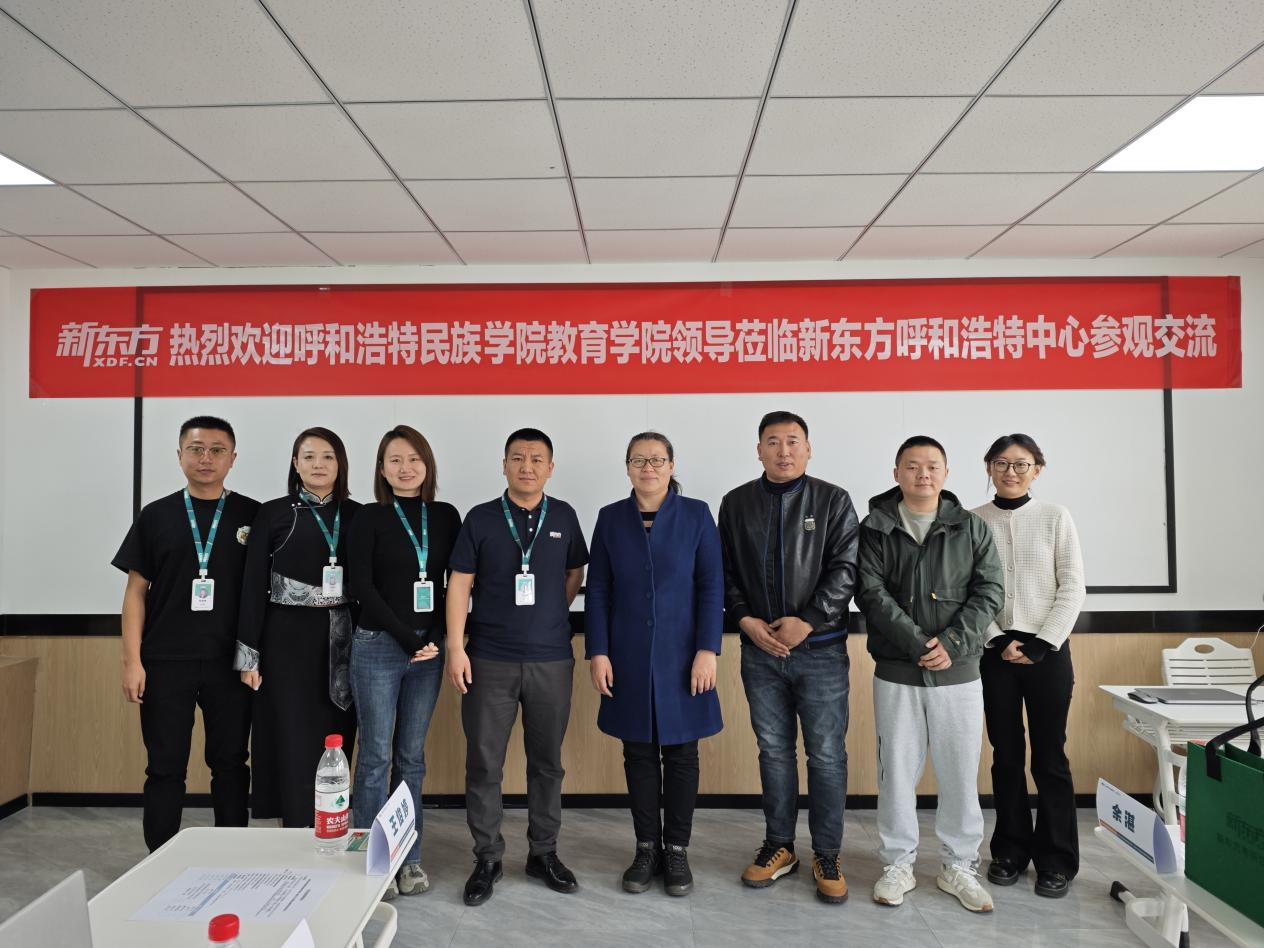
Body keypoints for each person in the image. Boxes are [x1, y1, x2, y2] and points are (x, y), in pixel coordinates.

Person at [855, 435, 1004, 913]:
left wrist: (953, 643)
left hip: (959, 671)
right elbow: (871, 594)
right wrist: (918, 644)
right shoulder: (875, 527)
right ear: (896, 473)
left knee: (960, 770)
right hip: (898, 670)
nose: (923, 474)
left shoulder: (971, 527)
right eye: (913, 466)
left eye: (932, 466)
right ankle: (897, 863)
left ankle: (959, 865)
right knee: (896, 771)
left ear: (946, 473)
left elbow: (990, 590)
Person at [717, 410, 859, 905]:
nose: (783, 450)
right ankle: (779, 845)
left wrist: (810, 620)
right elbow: (723, 571)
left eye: (793, 441)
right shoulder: (736, 503)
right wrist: (745, 619)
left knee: (826, 754)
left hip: (820, 651)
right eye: (773, 442)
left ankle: (827, 854)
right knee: (774, 751)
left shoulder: (833, 500)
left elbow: (846, 568)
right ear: (758, 450)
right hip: (760, 651)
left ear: (808, 448)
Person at [446, 428, 589, 907]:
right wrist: (456, 647)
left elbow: (574, 572)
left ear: (551, 467)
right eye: (518, 458)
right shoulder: (481, 518)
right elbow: (460, 584)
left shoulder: (564, 516)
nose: (527, 466)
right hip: (489, 658)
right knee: (484, 763)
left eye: (536, 459)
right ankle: (487, 857)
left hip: (551, 659)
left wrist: (550, 612)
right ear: (504, 464)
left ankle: (543, 853)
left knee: (547, 763)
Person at [585, 432, 724, 897]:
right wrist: (598, 651)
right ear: (627, 467)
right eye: (639, 460)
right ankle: (646, 848)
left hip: (684, 654)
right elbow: (598, 589)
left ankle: (677, 850)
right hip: (626, 654)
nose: (649, 468)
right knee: (638, 753)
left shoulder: (697, 514)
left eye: (658, 460)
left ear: (671, 465)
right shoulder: (610, 518)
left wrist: (707, 649)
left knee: (682, 754)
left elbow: (711, 585)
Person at [112, 416, 259, 851]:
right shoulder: (156, 515)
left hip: (230, 664)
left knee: (231, 763)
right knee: (165, 766)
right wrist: (132, 661)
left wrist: (254, 659)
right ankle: (159, 859)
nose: (205, 458)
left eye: (216, 450)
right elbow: (135, 593)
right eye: (196, 449)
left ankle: (231, 853)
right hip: (165, 661)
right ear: (180, 456)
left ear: (233, 458)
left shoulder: (253, 515)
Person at [347, 426, 461, 900]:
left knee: (411, 757)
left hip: (427, 651)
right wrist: (406, 636)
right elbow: (361, 586)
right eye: (395, 460)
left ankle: (408, 858)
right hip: (378, 645)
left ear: (427, 465)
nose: (406, 468)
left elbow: (453, 582)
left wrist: (434, 637)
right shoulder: (368, 516)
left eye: (414, 458)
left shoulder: (445, 516)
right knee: (376, 755)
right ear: (381, 468)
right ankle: (373, 859)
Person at [972, 434, 1086, 899]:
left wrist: (1041, 644)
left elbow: (1072, 586)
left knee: (1050, 757)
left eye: (1021, 464)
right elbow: (967, 589)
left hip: (1048, 654)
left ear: (1037, 469)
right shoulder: (973, 521)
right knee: (1006, 756)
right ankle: (1010, 851)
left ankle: (1056, 860)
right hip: (995, 654)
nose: (1011, 472)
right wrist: (998, 639)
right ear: (989, 468)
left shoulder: (1056, 517)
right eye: (1001, 463)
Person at [234, 427, 361, 828]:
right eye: (308, 456)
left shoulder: (359, 515)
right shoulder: (273, 513)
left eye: (327, 456)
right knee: (288, 734)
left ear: (340, 464)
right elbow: (252, 586)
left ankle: (332, 822)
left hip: (344, 641)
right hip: (285, 640)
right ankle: (292, 826)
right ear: (295, 464)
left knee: (336, 733)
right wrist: (248, 657)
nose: (318, 464)